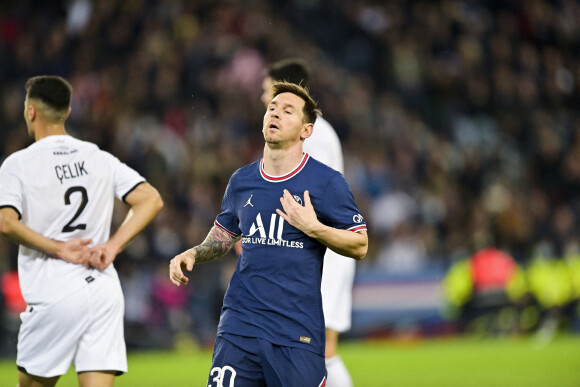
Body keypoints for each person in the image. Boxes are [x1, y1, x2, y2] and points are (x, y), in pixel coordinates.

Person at [170, 81, 368, 386]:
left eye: (288, 111)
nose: (275, 114)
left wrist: (313, 227)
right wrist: (193, 252)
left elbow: (360, 244)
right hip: (239, 327)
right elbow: (224, 236)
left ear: (306, 130)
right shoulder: (242, 180)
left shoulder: (326, 182)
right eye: (272, 108)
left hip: (296, 334)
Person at [0, 75, 164, 387]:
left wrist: (58, 247)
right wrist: (113, 246)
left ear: (30, 112)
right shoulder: (98, 156)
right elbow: (151, 199)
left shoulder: (17, 164)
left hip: (55, 286)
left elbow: (6, 222)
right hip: (103, 288)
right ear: (68, 111)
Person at [261, 58, 355, 386]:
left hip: (323, 250)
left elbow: (312, 192)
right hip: (318, 249)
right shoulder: (312, 132)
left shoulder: (313, 135)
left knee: (320, 349)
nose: (264, 99)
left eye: (268, 91)